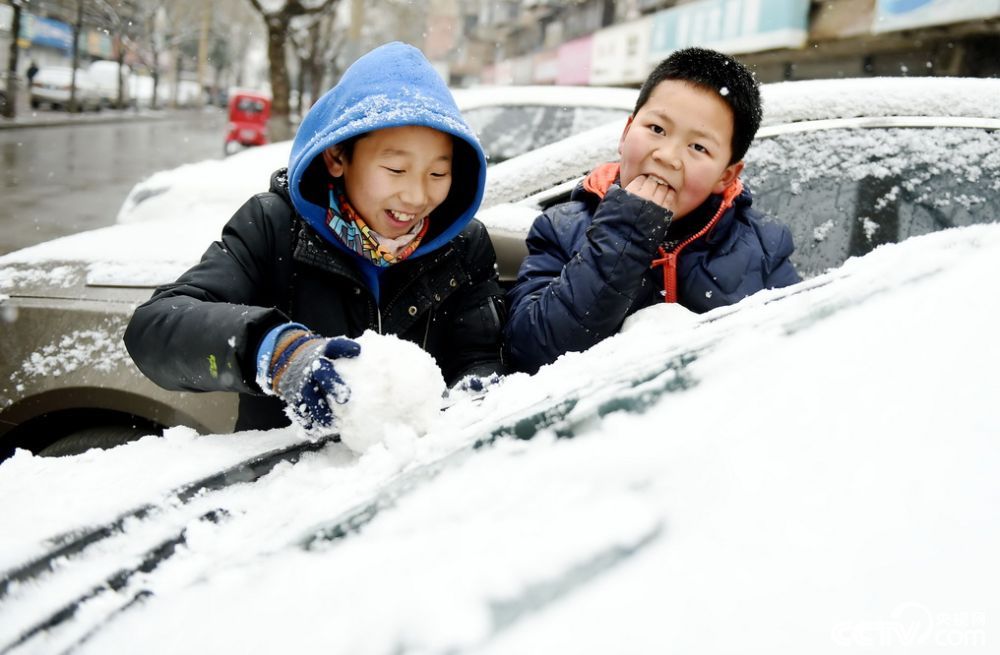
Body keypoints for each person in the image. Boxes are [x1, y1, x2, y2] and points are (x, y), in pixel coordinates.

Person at [124, 42, 505, 434]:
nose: (417, 196)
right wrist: (276, 353)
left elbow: (478, 355)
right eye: (395, 169)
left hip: (408, 479)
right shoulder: (274, 226)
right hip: (290, 484)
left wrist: (471, 398)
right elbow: (154, 330)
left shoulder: (463, 246)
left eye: (437, 175)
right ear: (337, 157)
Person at [504, 47, 801, 374]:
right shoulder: (560, 229)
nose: (668, 156)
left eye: (698, 147)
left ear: (725, 175)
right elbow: (530, 352)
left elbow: (788, 361)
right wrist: (622, 236)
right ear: (626, 132)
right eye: (657, 129)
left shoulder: (764, 248)